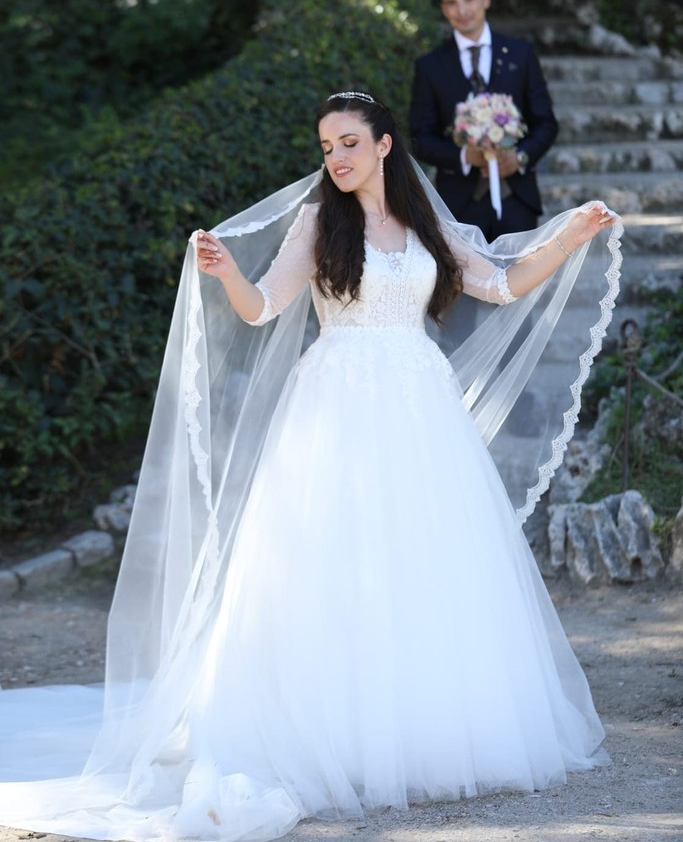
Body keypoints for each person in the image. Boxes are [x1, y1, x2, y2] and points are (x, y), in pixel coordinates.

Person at [0, 92, 622, 842]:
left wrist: (569, 237)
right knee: (329, 558)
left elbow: (497, 282)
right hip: (335, 405)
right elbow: (262, 308)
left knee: (422, 561)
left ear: (386, 145)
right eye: (327, 145)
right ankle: (325, 730)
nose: (337, 157)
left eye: (350, 142)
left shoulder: (424, 222)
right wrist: (227, 271)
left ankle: (419, 727)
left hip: (418, 405)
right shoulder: (317, 222)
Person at [410, 0, 559, 240]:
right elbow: (420, 137)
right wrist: (466, 156)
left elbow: (546, 123)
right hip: (459, 204)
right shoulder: (430, 66)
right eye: (452, 3)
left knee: (524, 281)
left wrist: (520, 157)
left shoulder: (520, 54)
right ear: (444, 9)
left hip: (517, 198)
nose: (462, 10)